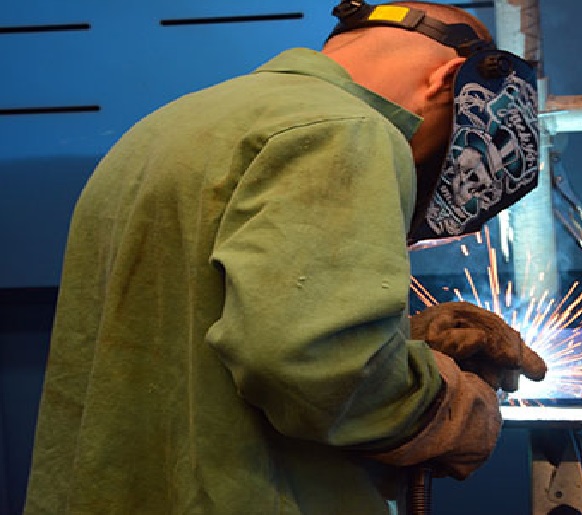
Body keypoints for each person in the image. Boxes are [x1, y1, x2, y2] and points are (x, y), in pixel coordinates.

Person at [24, 2, 545, 514]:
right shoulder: (346, 129)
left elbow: (189, 331)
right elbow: (318, 367)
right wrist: (444, 407)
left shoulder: (169, 127)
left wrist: (396, 343)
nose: (417, 163)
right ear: (448, 79)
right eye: (431, 154)